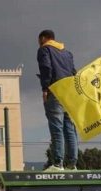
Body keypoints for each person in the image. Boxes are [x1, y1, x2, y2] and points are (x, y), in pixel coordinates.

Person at [37, 29, 78, 171]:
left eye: (39, 41)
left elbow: (46, 68)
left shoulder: (44, 50)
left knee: (56, 128)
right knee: (70, 128)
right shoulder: (67, 53)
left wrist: (45, 88)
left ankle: (58, 163)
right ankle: (72, 163)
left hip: (55, 90)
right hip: (69, 93)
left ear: (43, 38)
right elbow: (74, 72)